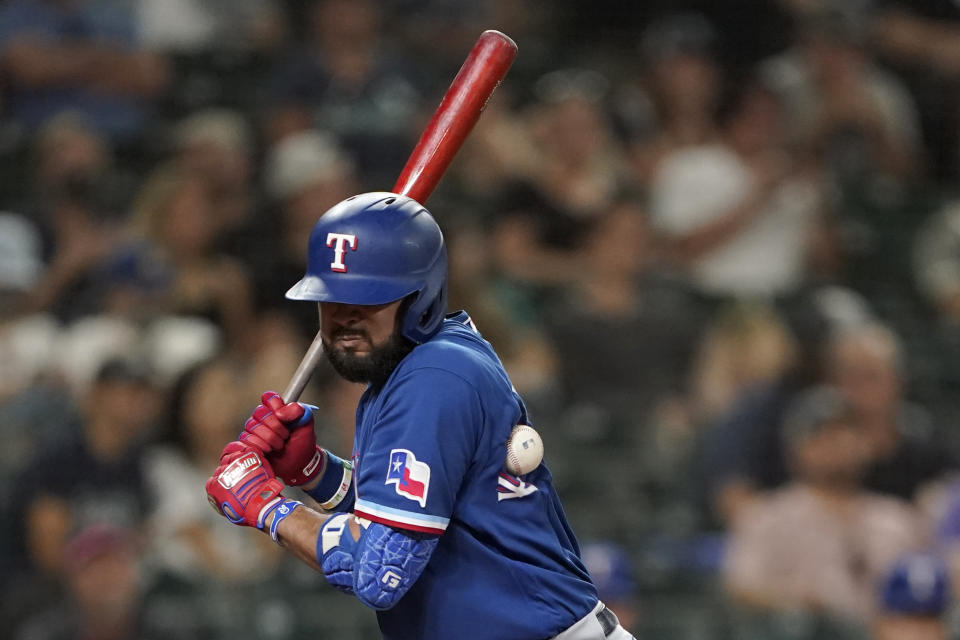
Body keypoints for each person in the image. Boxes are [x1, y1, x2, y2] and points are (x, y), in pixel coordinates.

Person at [203, 192, 634, 639]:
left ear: (419, 297)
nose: (344, 319)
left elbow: (380, 572)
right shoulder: (418, 365)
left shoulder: (434, 377)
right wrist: (315, 472)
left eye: (367, 299)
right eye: (331, 298)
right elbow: (406, 518)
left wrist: (267, 506)